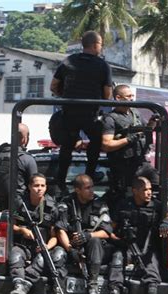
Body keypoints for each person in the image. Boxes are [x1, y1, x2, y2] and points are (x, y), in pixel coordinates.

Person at [50, 31, 113, 192]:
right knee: (97, 140)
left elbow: (53, 86)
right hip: (89, 113)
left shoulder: (68, 61)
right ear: (95, 45)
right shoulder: (102, 65)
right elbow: (107, 94)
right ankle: (89, 176)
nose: (101, 47)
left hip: (69, 112)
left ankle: (61, 181)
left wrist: (65, 96)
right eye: (100, 44)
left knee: (67, 146)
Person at [112, 177, 168, 294]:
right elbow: (112, 226)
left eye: (150, 190)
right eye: (145, 190)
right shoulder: (124, 205)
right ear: (135, 191)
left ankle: (152, 292)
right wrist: (116, 239)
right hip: (127, 246)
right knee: (117, 258)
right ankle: (114, 293)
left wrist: (167, 220)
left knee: (151, 260)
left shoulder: (156, 205)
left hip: (147, 247)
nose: (149, 193)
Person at [55, 174, 119, 294]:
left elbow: (107, 231)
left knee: (95, 241)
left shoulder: (99, 204)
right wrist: (69, 249)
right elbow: (60, 228)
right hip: (73, 248)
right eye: (87, 188)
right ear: (77, 190)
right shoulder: (66, 203)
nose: (92, 191)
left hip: (96, 250)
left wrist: (89, 236)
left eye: (92, 187)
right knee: (58, 254)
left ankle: (93, 287)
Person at [8, 174, 68, 294]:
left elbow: (54, 236)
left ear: (46, 187)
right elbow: (11, 226)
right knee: (15, 255)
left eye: (42, 186)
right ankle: (18, 289)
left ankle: (32, 289)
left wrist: (47, 246)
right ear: (29, 187)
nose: (39, 189)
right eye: (36, 185)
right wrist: (22, 230)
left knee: (47, 257)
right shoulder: (20, 203)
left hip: (43, 248)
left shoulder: (52, 207)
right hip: (24, 246)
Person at [101, 84, 159, 197]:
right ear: (118, 98)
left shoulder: (135, 113)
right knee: (126, 195)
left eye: (132, 95)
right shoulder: (110, 118)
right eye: (128, 96)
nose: (132, 99)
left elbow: (146, 129)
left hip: (141, 162)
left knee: (161, 184)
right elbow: (106, 145)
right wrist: (129, 139)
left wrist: (153, 122)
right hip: (124, 165)